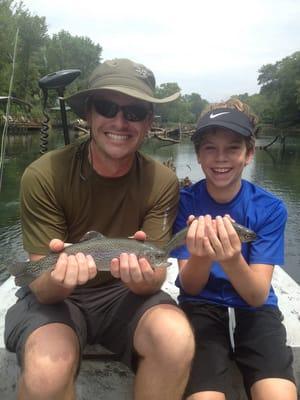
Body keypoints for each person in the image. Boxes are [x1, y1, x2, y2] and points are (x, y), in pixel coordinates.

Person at [5, 58, 194, 400]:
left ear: (149, 122)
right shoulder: (43, 174)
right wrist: (59, 277)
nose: (120, 121)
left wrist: (144, 277)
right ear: (89, 114)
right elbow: (44, 291)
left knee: (176, 339)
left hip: (125, 296)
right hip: (58, 299)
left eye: (135, 112)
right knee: (47, 371)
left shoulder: (162, 181)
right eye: (108, 107)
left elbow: (155, 273)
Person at [171, 99, 297, 400]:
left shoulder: (270, 209)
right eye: (210, 148)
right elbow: (190, 285)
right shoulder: (184, 203)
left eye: (233, 148)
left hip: (256, 308)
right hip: (200, 304)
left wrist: (230, 258)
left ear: (249, 154)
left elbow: (256, 295)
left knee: (279, 394)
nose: (220, 158)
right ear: (198, 155)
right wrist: (202, 254)